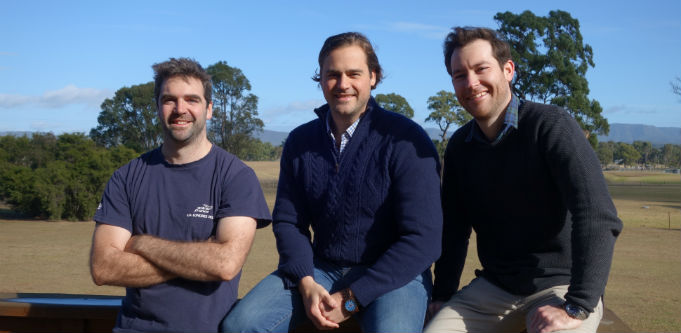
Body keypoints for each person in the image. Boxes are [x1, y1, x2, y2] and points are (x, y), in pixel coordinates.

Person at [221, 32, 443, 333]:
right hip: (321, 269)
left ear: (373, 77)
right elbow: (288, 223)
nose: (343, 84)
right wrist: (306, 282)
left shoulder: (405, 139)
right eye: (332, 75)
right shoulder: (300, 142)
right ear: (321, 79)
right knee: (240, 324)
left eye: (354, 74)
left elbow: (423, 240)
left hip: (395, 276)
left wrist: (351, 301)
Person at [424, 27, 623, 333]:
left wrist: (578, 305)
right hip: (493, 288)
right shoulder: (460, 147)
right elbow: (454, 230)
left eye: (481, 69)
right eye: (459, 74)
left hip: (561, 287)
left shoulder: (551, 126)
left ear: (508, 70)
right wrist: (443, 294)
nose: (471, 83)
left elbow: (597, 215)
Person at [89, 57, 272, 333]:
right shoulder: (126, 177)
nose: (180, 109)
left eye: (192, 100)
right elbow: (103, 268)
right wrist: (199, 259)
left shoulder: (235, 176)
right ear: (157, 108)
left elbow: (225, 264)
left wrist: (141, 244)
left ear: (209, 109)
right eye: (169, 100)